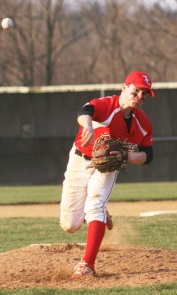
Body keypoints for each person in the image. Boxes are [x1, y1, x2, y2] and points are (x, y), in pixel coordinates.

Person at [60, 71, 155, 278]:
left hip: (109, 165)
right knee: (70, 225)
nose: (139, 96)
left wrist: (125, 155)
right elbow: (85, 110)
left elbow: (148, 155)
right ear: (124, 87)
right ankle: (101, 213)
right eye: (135, 90)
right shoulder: (107, 105)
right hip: (80, 159)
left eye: (144, 94)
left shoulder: (143, 123)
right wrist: (87, 124)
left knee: (95, 205)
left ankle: (87, 264)